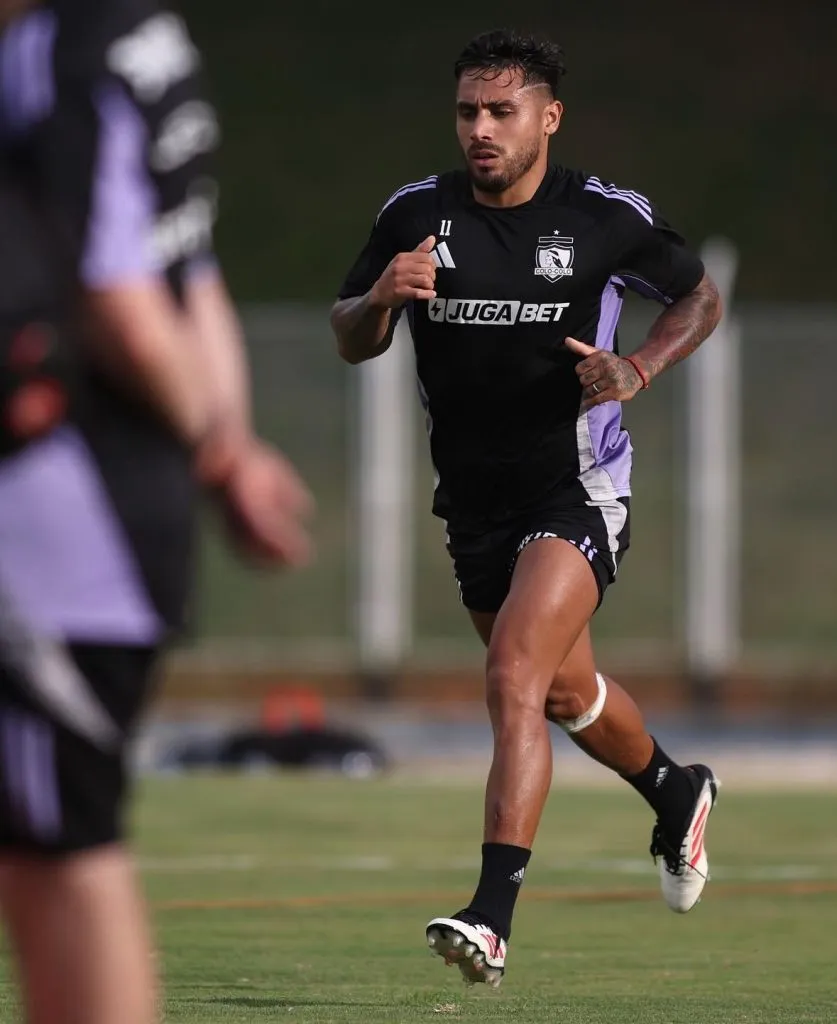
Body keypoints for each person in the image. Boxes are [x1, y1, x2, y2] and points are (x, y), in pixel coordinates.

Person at [331, 28, 722, 988]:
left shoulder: (602, 217)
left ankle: (491, 917)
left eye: (502, 111)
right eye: (468, 110)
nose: (480, 129)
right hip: (473, 503)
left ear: (547, 117)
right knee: (559, 692)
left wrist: (638, 365)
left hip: (576, 487)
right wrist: (381, 295)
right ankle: (676, 792)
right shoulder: (415, 213)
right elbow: (350, 336)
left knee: (512, 675)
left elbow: (698, 298)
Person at [0, 2, 312, 1022]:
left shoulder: (59, 55)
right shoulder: (154, 42)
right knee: (53, 844)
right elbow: (194, 274)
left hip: (59, 523)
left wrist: (221, 455)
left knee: (62, 854)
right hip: (122, 514)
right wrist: (228, 444)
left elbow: (123, 301)